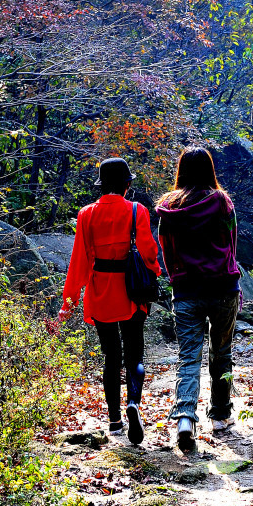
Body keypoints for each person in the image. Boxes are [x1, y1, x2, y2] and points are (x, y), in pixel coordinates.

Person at [53, 157, 161, 445]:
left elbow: (79, 261)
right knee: (134, 354)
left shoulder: (86, 214)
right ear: (127, 185)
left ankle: (114, 422)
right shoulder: (137, 210)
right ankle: (134, 404)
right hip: (131, 292)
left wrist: (69, 303)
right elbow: (149, 252)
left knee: (111, 357)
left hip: (101, 292)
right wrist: (154, 273)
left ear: (101, 185)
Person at [156, 147, 239, 452]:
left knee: (189, 357)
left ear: (181, 170)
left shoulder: (168, 207)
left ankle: (184, 420)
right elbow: (231, 244)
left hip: (187, 289)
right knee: (222, 352)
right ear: (209, 170)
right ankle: (219, 417)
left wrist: (176, 275)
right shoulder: (222, 202)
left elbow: (166, 248)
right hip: (223, 287)